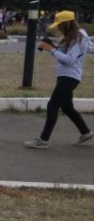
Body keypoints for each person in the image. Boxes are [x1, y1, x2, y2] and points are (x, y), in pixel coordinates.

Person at [25, 10, 93, 148]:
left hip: (69, 76)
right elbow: (70, 54)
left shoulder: (77, 38)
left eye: (60, 25)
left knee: (53, 105)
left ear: (67, 23)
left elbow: (69, 59)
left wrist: (51, 49)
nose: (58, 28)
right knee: (67, 107)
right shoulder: (75, 36)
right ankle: (85, 132)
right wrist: (54, 47)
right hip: (66, 76)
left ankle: (43, 140)